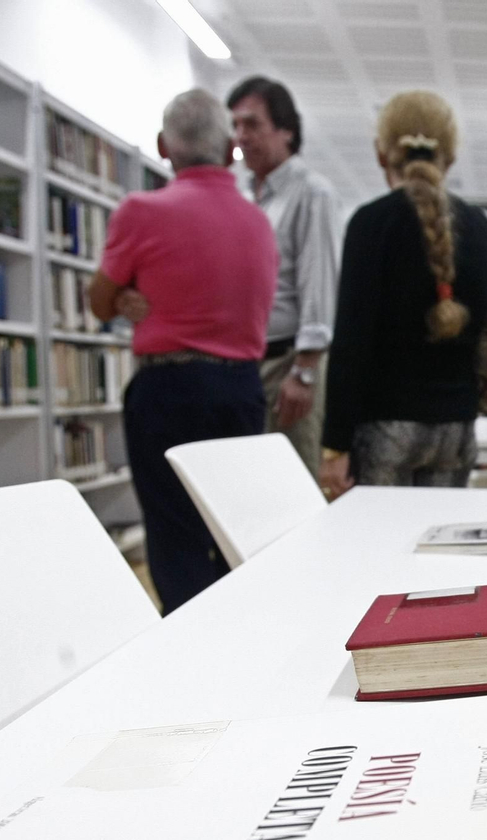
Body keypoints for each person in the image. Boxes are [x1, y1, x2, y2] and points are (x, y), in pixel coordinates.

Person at [88, 89, 277, 614]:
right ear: (229, 150)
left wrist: (126, 296)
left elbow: (99, 302)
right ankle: (238, 636)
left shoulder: (140, 212)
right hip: (241, 387)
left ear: (162, 147)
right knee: (233, 529)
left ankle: (191, 655)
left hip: (167, 389)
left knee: (175, 537)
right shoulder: (257, 222)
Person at [318, 90, 487, 499]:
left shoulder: (370, 223)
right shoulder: (482, 228)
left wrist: (334, 445)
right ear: (450, 158)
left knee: (378, 554)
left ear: (382, 154)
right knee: (436, 556)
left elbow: (352, 340)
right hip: (457, 429)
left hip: (386, 427)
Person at [228, 76, 339, 479]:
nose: (241, 136)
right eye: (235, 126)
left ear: (286, 130)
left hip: (289, 365)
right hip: (242, 367)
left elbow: (318, 281)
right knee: (246, 488)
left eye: (252, 124)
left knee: (290, 485)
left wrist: (305, 370)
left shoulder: (311, 193)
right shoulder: (243, 196)